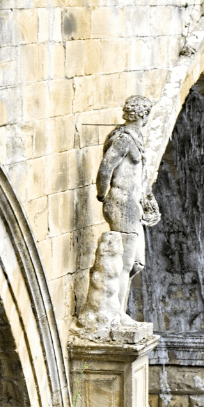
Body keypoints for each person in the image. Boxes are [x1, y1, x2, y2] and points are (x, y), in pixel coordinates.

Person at [74, 95, 160, 337]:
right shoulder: (123, 139)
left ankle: (118, 308)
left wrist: (145, 199)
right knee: (124, 263)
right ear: (142, 114)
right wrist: (104, 195)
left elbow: (137, 176)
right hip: (121, 204)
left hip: (132, 206)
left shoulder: (136, 139)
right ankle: (117, 313)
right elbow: (106, 167)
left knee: (136, 262)